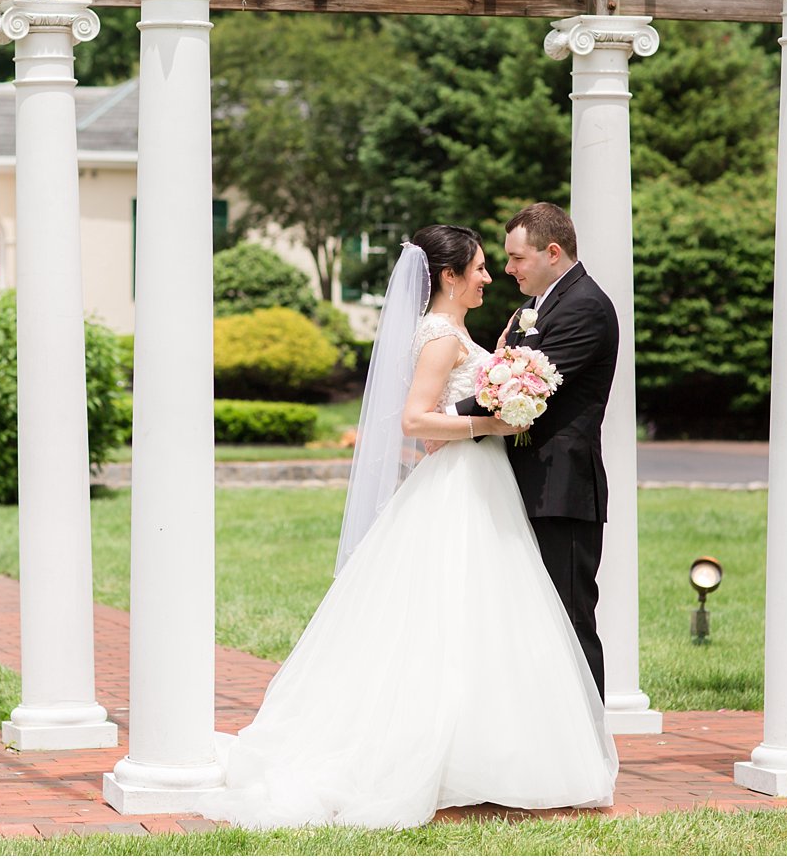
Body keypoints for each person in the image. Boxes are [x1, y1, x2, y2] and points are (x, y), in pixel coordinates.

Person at [200, 224, 617, 831]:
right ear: (448, 276)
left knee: (487, 623)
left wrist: (502, 396)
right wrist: (490, 423)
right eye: (478, 267)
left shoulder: (479, 329)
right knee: (447, 621)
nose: (490, 275)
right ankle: (445, 757)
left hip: (487, 484)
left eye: (498, 262)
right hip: (464, 481)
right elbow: (415, 420)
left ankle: (490, 755)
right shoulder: (441, 337)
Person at [450, 203, 619, 698]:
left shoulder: (585, 305)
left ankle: (588, 744)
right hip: (523, 483)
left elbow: (530, 389)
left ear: (551, 251)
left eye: (516, 257)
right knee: (529, 620)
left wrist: (446, 418)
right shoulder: (537, 306)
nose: (507, 269)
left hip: (561, 490)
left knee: (568, 619)